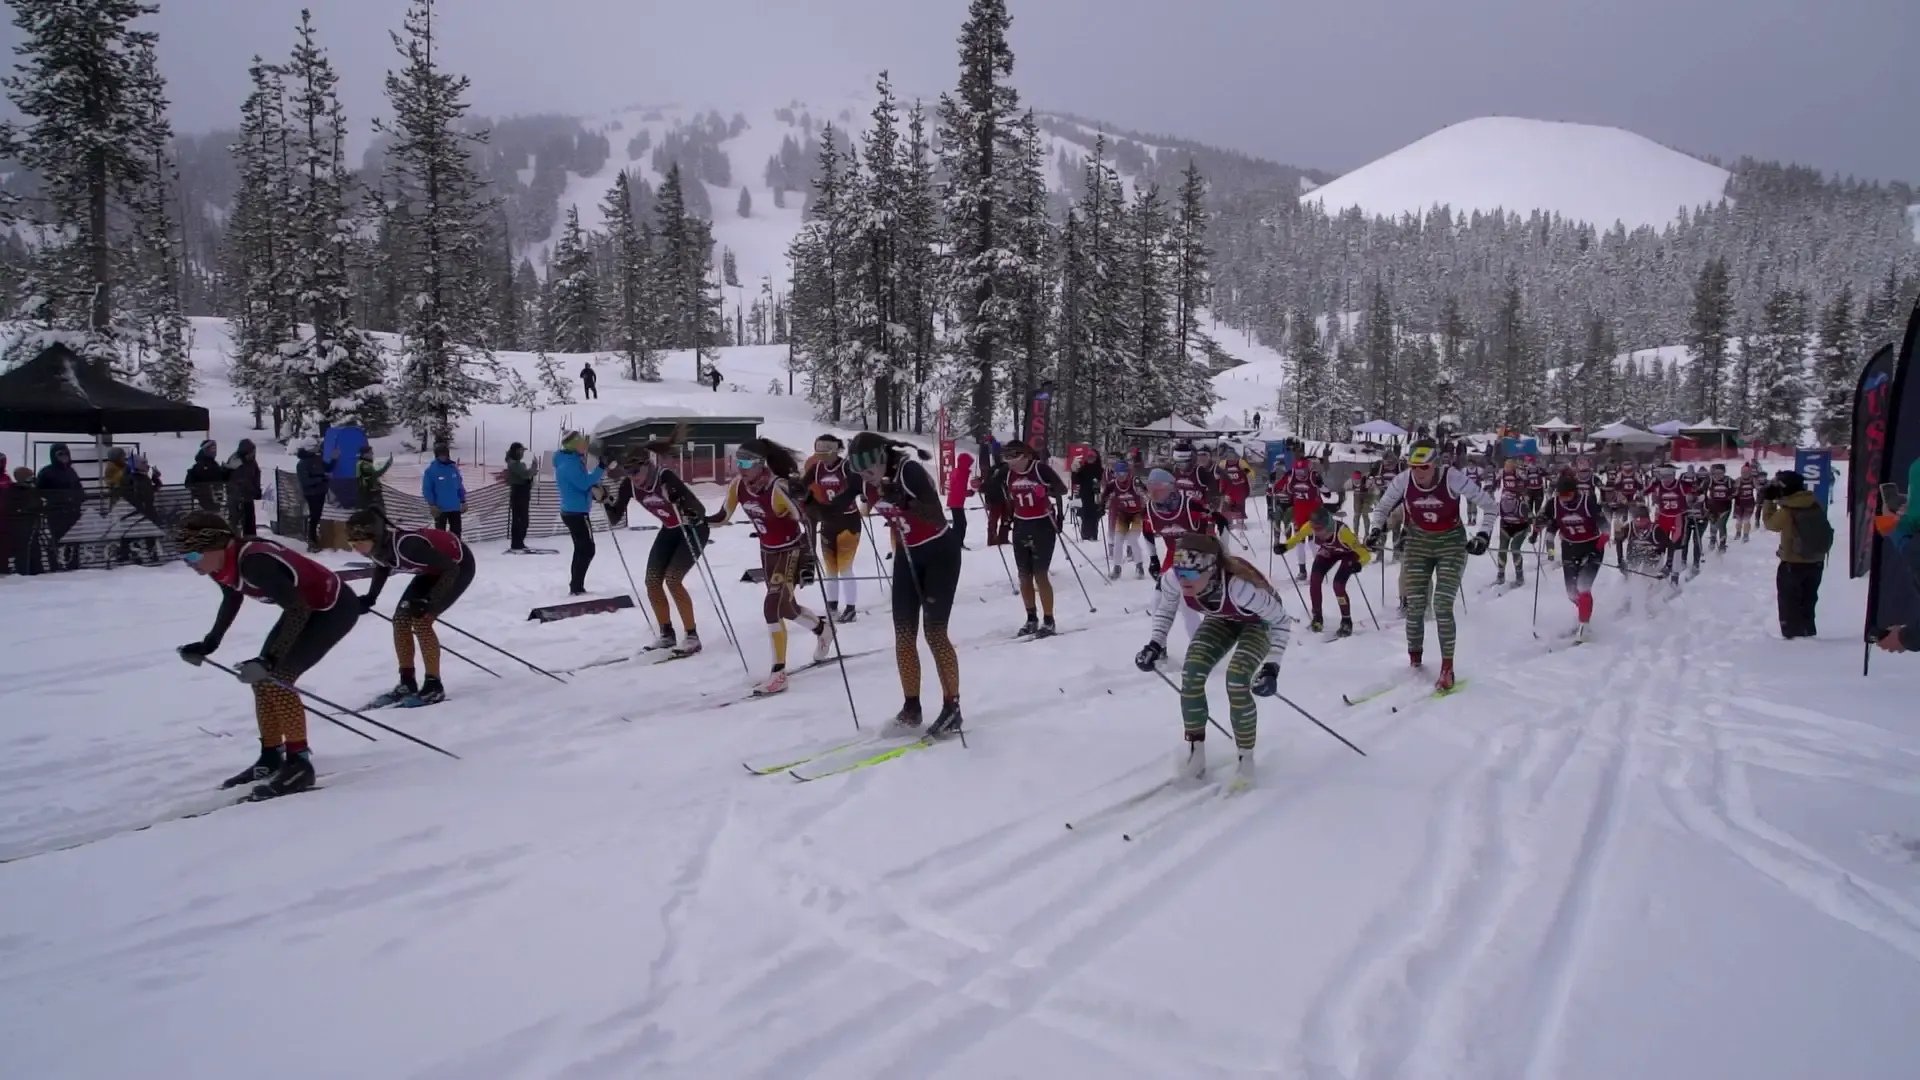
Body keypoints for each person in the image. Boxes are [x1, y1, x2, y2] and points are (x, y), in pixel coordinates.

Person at [174, 511, 359, 798]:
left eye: (195, 556)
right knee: (261, 679)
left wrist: (270, 660)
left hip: (332, 608)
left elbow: (299, 609)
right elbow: (232, 596)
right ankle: (271, 755)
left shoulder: (255, 563)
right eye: (186, 558)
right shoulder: (221, 563)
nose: (191, 564)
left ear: (218, 544)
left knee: (277, 677)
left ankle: (299, 764)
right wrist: (210, 642)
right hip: (303, 609)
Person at [1133, 534, 1293, 789]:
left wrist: (1272, 666)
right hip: (1222, 618)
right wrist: (1155, 643)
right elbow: (1166, 607)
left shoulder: (1240, 588)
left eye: (1193, 575)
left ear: (1211, 571)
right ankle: (1196, 753)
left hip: (1258, 623)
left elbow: (1281, 621)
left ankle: (1246, 758)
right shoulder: (1175, 578)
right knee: (1192, 674)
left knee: (1238, 679)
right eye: (1180, 571)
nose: (1184, 580)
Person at [850, 432, 964, 736]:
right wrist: (805, 499)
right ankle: (911, 707)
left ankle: (952, 708)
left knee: (935, 633)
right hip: (907, 554)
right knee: (903, 634)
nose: (867, 477)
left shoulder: (909, 471)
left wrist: (906, 501)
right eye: (861, 472)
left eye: (870, 469)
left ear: (883, 458)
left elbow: (936, 515)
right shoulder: (864, 479)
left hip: (939, 552)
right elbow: (832, 501)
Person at [1367, 437, 1500, 691]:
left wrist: (1483, 535)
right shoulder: (1404, 479)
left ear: (1435, 464)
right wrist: (1376, 530)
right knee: (1415, 605)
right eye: (1414, 467)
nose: (1419, 473)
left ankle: (1447, 667)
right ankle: (1414, 662)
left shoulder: (1451, 477)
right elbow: (1382, 507)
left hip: (1451, 543)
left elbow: (1490, 506)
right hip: (1418, 542)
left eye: (1424, 468)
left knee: (1441, 603)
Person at [708, 437, 834, 694]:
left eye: (745, 463)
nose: (740, 468)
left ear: (759, 464)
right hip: (768, 553)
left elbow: (807, 519)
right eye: (736, 462)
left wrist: (809, 557)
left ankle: (779, 673)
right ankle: (823, 629)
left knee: (771, 607)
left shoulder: (779, 487)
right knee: (787, 608)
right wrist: (697, 520)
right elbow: (723, 516)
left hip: (791, 550)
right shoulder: (738, 486)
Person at [348, 509, 474, 706]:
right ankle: (407, 682)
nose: (357, 549)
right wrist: (371, 597)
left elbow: (451, 569)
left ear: (376, 536)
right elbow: (383, 565)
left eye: (360, 543)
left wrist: (429, 600)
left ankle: (434, 686)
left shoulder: (408, 546)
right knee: (400, 620)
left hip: (458, 567)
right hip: (432, 570)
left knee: (422, 621)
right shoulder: (378, 547)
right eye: (352, 544)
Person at [624, 431, 711, 656]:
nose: (632, 477)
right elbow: (614, 515)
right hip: (670, 530)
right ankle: (666, 633)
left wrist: (685, 507)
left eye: (635, 472)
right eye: (628, 472)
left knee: (673, 580)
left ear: (647, 466)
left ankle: (692, 636)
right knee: (652, 581)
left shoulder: (665, 477)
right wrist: (602, 498)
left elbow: (699, 510)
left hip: (693, 529)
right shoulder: (630, 486)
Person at [987, 440, 1069, 637]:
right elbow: (990, 488)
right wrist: (979, 486)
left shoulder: (1039, 469)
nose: (1010, 462)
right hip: (1021, 525)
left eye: (1014, 458)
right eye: (1006, 458)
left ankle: (1049, 621)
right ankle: (1031, 618)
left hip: (1042, 525)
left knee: (1040, 575)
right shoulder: (1007, 472)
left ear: (1026, 456)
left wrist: (1046, 490)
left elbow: (1062, 489)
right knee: (1024, 576)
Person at [798, 434, 864, 623]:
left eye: (825, 453)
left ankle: (850, 608)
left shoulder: (845, 467)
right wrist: (797, 488)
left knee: (845, 567)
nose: (821, 457)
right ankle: (832, 606)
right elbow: (803, 485)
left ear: (834, 451)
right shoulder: (817, 468)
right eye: (818, 453)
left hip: (848, 522)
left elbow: (857, 486)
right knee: (831, 569)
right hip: (828, 521)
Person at [1282, 506, 1371, 635]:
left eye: (1319, 530)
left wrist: (1359, 565)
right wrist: (1284, 547)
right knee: (1315, 579)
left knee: (1338, 585)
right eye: (1314, 529)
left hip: (1348, 554)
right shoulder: (1311, 526)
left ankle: (1346, 621)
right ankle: (1317, 617)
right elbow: (1297, 538)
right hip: (1329, 551)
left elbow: (1365, 555)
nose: (1316, 533)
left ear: (1328, 526)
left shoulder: (1343, 532)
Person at [1539, 475, 1608, 640]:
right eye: (1560, 495)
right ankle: (1584, 611)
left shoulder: (1588, 502)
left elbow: (1605, 528)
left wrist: (1600, 545)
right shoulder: (1554, 504)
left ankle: (1585, 625)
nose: (1563, 499)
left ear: (1575, 492)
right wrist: (1538, 528)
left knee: (1583, 586)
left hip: (1591, 546)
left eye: (1567, 495)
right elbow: (1550, 521)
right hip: (1569, 547)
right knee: (1572, 592)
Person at [1762, 470, 1828, 639]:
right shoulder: (1814, 502)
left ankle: (1793, 642)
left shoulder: (1788, 510)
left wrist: (1768, 500)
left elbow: (1771, 524)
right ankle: (1808, 634)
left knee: (1789, 605)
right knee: (1808, 602)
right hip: (1816, 561)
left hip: (1793, 563)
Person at [553, 431, 604, 595]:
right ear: (573, 445)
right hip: (576, 512)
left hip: (573, 510)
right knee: (587, 549)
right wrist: (601, 468)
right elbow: (584, 483)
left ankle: (576, 585)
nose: (584, 447)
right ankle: (576, 586)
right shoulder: (569, 464)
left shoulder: (570, 460)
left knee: (582, 549)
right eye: (581, 443)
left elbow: (582, 483)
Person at [1103, 459, 1149, 579]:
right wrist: (1100, 505)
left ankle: (1139, 567)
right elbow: (1104, 496)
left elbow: (1146, 493)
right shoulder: (1113, 484)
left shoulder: (1135, 481)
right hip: (1122, 515)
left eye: (1123, 474)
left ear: (1128, 473)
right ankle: (1117, 568)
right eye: (1118, 474)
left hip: (1137, 514)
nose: (1121, 477)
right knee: (1118, 540)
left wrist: (1143, 495)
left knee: (1132, 539)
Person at [422, 440, 466, 536]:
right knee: (440, 535)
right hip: (440, 509)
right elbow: (427, 489)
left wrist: (463, 501)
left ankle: (455, 549)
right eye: (440, 455)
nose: (443, 457)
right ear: (436, 456)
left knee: (456, 533)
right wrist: (432, 505)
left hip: (454, 507)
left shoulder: (453, 469)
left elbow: (459, 486)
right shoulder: (431, 471)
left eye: (444, 454)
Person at [1492, 486, 1531, 587]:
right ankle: (1500, 574)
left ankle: (1519, 576)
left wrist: (1534, 526)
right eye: (1505, 499)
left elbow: (1532, 519)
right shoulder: (1499, 505)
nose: (1507, 502)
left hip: (1520, 529)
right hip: (1505, 528)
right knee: (1502, 549)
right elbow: (1490, 515)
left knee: (1515, 548)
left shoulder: (1522, 506)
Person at [296, 446, 333, 552]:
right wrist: (321, 479)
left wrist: (334, 459)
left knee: (317, 515)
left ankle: (313, 539)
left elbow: (327, 468)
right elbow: (305, 481)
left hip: (321, 492)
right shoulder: (302, 464)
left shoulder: (317, 459)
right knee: (314, 516)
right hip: (311, 493)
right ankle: (311, 540)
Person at [225, 439, 262, 537]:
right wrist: (251, 490)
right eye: (251, 452)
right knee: (237, 522)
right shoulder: (236, 462)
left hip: (248, 497)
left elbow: (256, 475)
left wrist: (257, 490)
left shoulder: (252, 462)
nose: (253, 454)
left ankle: (250, 540)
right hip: (237, 498)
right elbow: (238, 481)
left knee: (250, 522)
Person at [503, 443, 535, 552]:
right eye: (521, 451)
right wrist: (533, 470)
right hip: (518, 493)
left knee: (522, 519)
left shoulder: (517, 463)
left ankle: (519, 542)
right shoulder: (514, 464)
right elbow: (525, 474)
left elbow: (527, 475)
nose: (522, 453)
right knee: (520, 519)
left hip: (523, 492)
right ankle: (517, 543)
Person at [1071, 448, 1104, 542]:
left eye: (1092, 457)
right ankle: (1085, 536)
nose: (1090, 459)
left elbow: (1103, 482)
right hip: (1085, 495)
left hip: (1096, 495)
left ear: (1096, 458)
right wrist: (1074, 471)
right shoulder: (1084, 468)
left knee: (1095, 517)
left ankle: (1093, 536)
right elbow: (1076, 481)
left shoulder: (1100, 469)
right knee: (1085, 516)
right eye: (1089, 457)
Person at [945, 446, 974, 547]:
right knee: (960, 524)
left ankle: (956, 542)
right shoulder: (959, 473)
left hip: (957, 501)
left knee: (959, 523)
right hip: (956, 501)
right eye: (969, 464)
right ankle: (956, 543)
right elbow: (958, 489)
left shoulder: (959, 471)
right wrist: (968, 493)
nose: (970, 466)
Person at [356, 444, 393, 514]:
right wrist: (387, 464)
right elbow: (374, 475)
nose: (372, 454)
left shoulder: (365, 463)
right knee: (377, 511)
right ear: (365, 454)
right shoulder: (364, 464)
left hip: (369, 492)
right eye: (370, 452)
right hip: (369, 492)